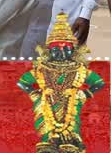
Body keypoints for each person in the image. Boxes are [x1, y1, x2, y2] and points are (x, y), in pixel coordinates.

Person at [17, 13, 105, 153]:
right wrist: (35, 94)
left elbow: (99, 83)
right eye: (56, 50)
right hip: (46, 100)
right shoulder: (42, 69)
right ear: (49, 51)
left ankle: (70, 143)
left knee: (72, 126)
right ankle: (48, 143)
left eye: (66, 49)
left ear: (72, 51)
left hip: (71, 100)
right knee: (45, 125)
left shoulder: (78, 69)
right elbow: (22, 82)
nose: (61, 53)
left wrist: (84, 93)